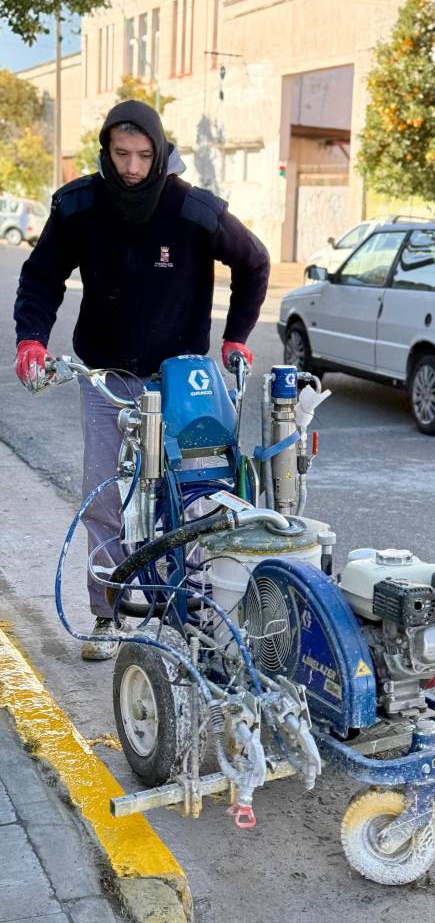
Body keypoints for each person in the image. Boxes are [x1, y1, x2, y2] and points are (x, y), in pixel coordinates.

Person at [13, 100, 270, 660]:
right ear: (106, 149)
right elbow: (40, 278)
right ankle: (107, 616)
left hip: (181, 383)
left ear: (160, 153)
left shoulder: (193, 209)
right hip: (105, 379)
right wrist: (30, 339)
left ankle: (201, 610)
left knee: (197, 498)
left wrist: (236, 337)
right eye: (121, 153)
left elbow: (254, 261)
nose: (131, 166)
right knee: (104, 496)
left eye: (143, 155)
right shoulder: (78, 205)